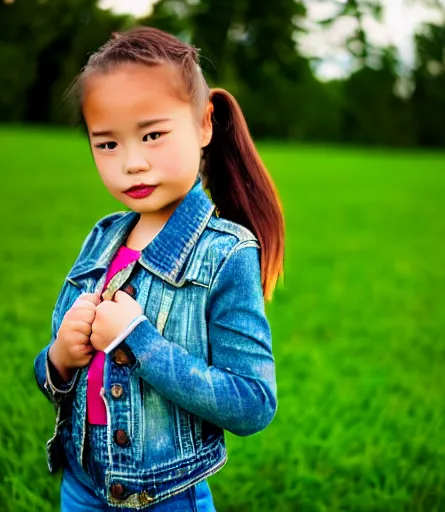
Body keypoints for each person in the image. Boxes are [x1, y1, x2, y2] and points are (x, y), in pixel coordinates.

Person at [33, 26, 285, 511]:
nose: (132, 163)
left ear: (205, 124)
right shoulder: (101, 239)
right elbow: (55, 379)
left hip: (167, 497)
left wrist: (139, 339)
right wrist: (60, 357)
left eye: (152, 135)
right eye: (107, 144)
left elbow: (254, 402)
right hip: (82, 487)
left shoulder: (226, 255)